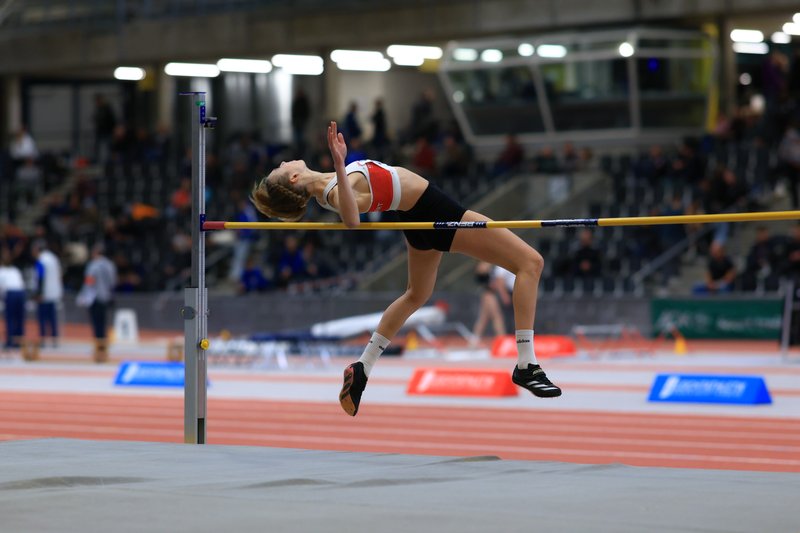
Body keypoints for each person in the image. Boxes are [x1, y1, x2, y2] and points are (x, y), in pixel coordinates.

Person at [251, 121, 561, 417]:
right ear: (293, 179)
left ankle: (363, 366)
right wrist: (339, 161)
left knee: (416, 295)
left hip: (415, 218)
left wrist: (340, 165)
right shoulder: (332, 190)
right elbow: (352, 219)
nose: (284, 162)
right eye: (280, 168)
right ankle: (526, 364)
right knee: (530, 263)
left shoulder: (330, 186)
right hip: (435, 211)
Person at [78, 243, 117, 362]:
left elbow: (89, 281)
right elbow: (113, 282)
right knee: (104, 323)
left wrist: (83, 296)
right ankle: (104, 347)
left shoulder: (93, 266)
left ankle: (97, 347)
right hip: (106, 297)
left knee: (96, 324)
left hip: (94, 298)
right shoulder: (110, 265)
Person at [32, 241, 63, 347]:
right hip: (54, 292)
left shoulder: (41, 260)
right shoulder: (54, 258)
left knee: (42, 318)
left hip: (45, 294)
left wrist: (39, 293)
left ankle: (43, 339)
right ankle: (54, 339)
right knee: (53, 317)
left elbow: (41, 277)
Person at [471, 261, 506, 339]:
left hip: (490, 293)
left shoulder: (490, 265)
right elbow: (481, 276)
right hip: (488, 294)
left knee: (483, 318)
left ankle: (474, 339)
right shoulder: (484, 265)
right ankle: (501, 338)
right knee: (496, 316)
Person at [0, 249, 26, 350]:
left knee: (10, 318)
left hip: (11, 293)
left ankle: (10, 341)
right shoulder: (15, 270)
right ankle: (18, 341)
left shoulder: (1, 271)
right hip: (20, 292)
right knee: (19, 318)